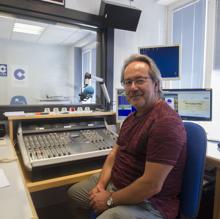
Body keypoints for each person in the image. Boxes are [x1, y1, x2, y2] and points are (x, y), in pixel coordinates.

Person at [67, 54, 186, 219]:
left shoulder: (165, 123)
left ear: (156, 84)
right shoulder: (131, 118)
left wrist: (109, 199)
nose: (132, 87)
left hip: (150, 202)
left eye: (139, 80)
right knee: (74, 194)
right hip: (116, 185)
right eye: (128, 82)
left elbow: (151, 186)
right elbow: (113, 155)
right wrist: (101, 185)